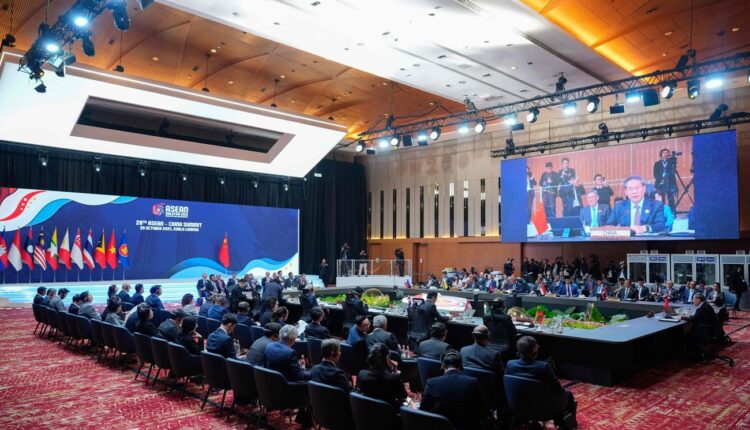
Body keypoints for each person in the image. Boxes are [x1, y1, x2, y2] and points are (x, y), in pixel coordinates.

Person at [506, 336, 577, 430]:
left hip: (517, 406)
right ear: (535, 349)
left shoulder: (510, 364)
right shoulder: (543, 367)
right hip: (543, 410)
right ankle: (566, 424)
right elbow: (558, 389)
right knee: (568, 394)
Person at [420, 350, 490, 430]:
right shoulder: (473, 382)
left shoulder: (432, 382)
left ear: (443, 365)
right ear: (461, 366)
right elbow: (482, 412)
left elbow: (423, 410)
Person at [356, 343, 408, 409]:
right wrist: (394, 371)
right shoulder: (394, 378)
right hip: (389, 413)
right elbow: (403, 396)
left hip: (367, 411)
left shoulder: (362, 374)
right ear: (387, 358)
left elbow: (358, 392)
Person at [680, 293, 717, 360]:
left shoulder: (702, 308)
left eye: (693, 299)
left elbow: (693, 319)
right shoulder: (705, 305)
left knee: (685, 335)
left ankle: (693, 355)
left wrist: (681, 317)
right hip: (709, 329)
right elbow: (697, 316)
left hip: (703, 330)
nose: (693, 301)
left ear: (698, 299)